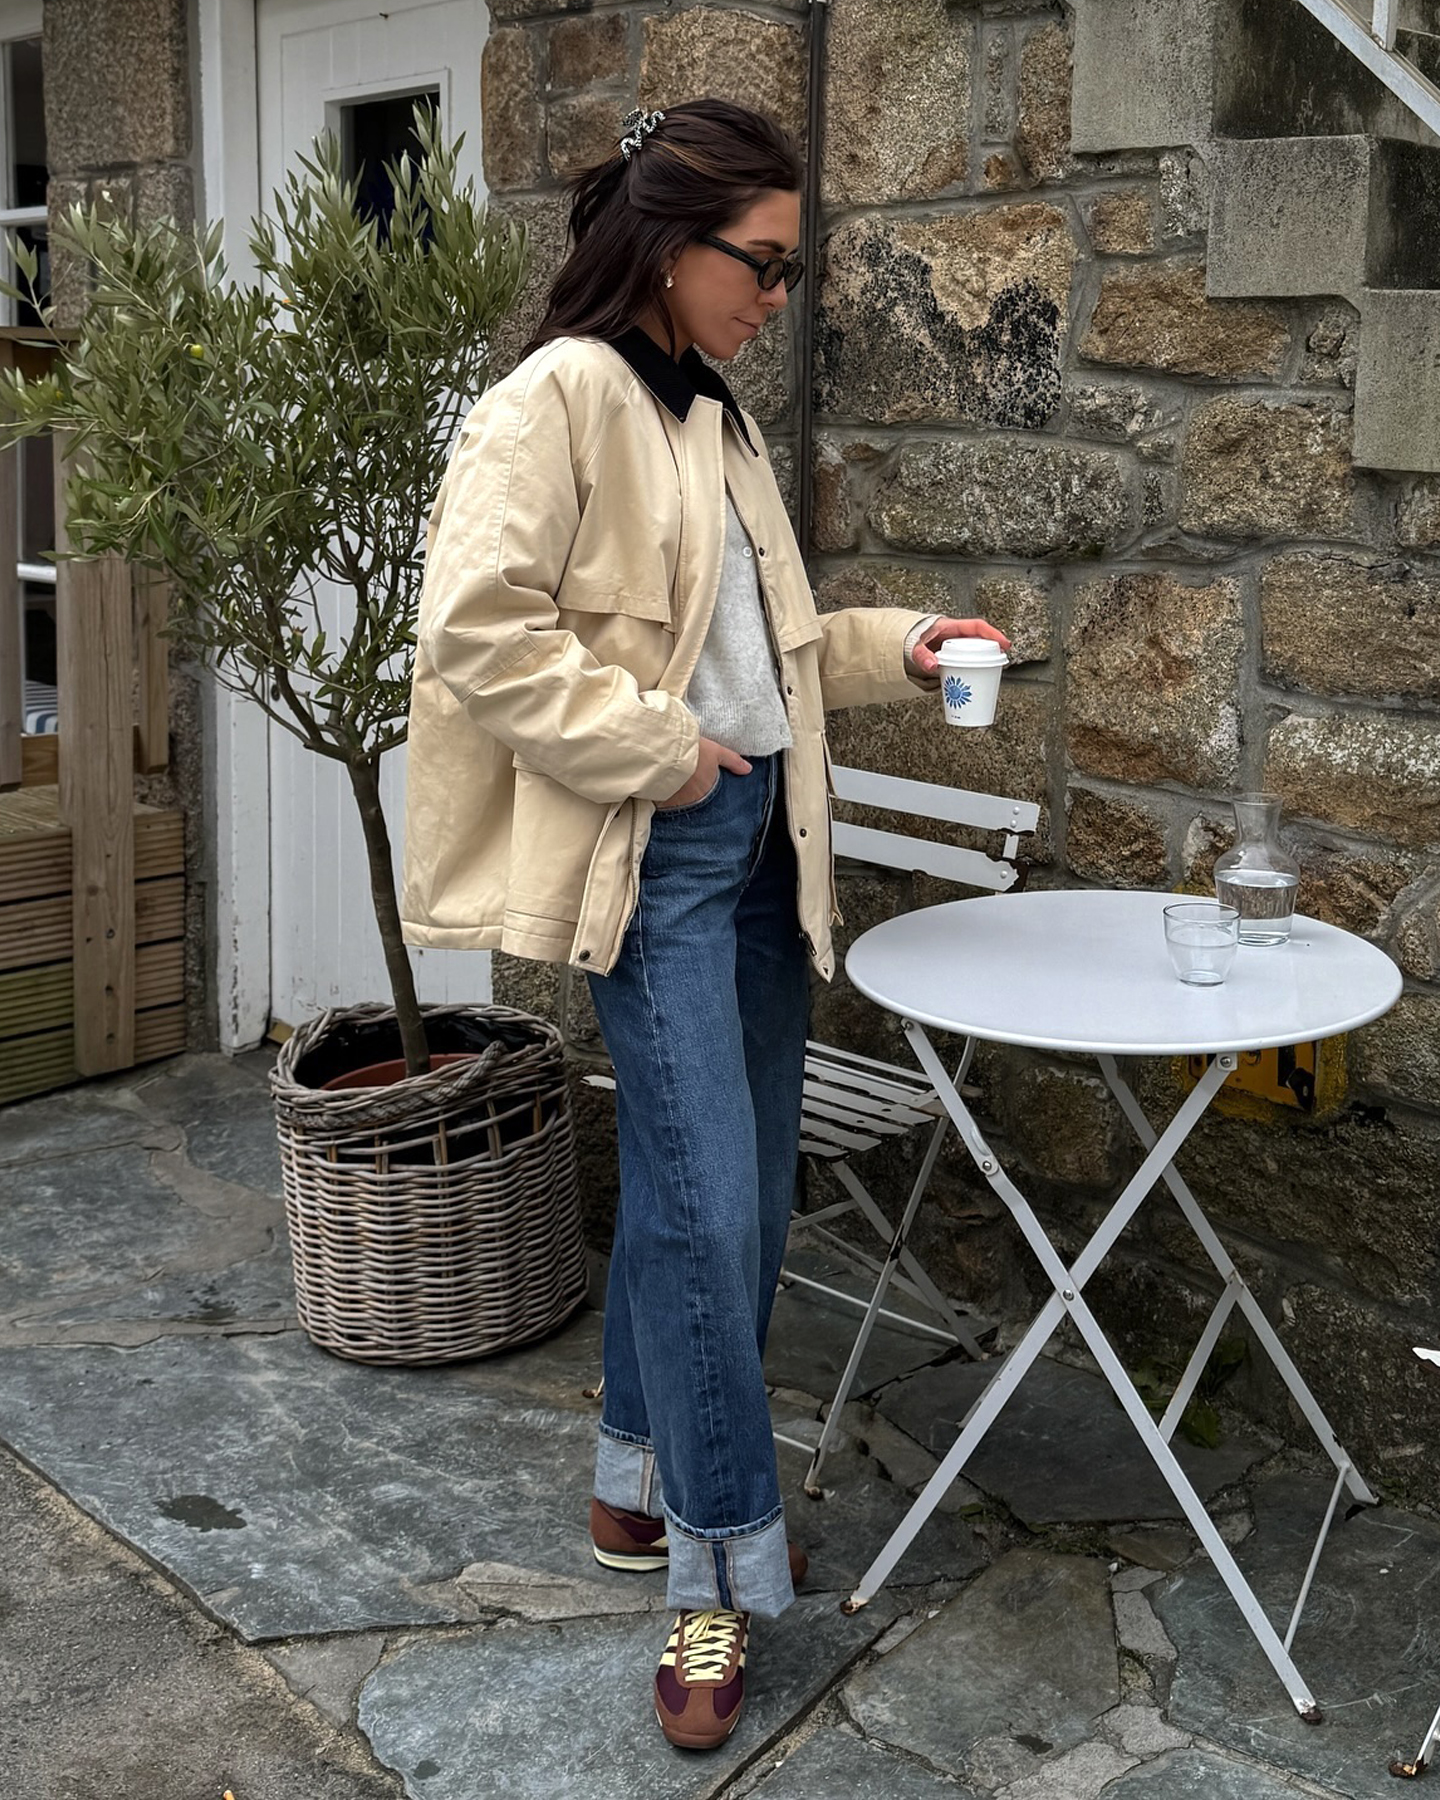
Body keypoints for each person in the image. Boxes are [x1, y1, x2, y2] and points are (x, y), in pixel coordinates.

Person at [401, 97, 1011, 1752]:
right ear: (668, 242)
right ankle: (712, 1567)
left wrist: (907, 643)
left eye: (789, 268)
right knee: (708, 1204)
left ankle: (625, 1477)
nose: (779, 294)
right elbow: (477, 630)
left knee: (722, 1202)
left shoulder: (714, 419)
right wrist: (664, 757)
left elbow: (774, 649)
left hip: (757, 852)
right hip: (663, 850)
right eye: (765, 262)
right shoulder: (561, 400)